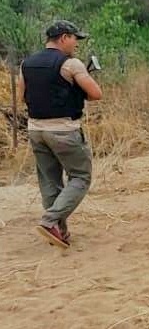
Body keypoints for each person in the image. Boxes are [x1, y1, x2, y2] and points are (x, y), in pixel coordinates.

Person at [16, 20, 102, 249]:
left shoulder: (27, 64)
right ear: (63, 38)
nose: (76, 44)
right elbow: (95, 93)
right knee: (80, 177)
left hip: (35, 130)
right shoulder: (71, 64)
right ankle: (50, 220)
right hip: (64, 130)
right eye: (75, 38)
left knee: (50, 181)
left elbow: (22, 96)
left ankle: (58, 231)